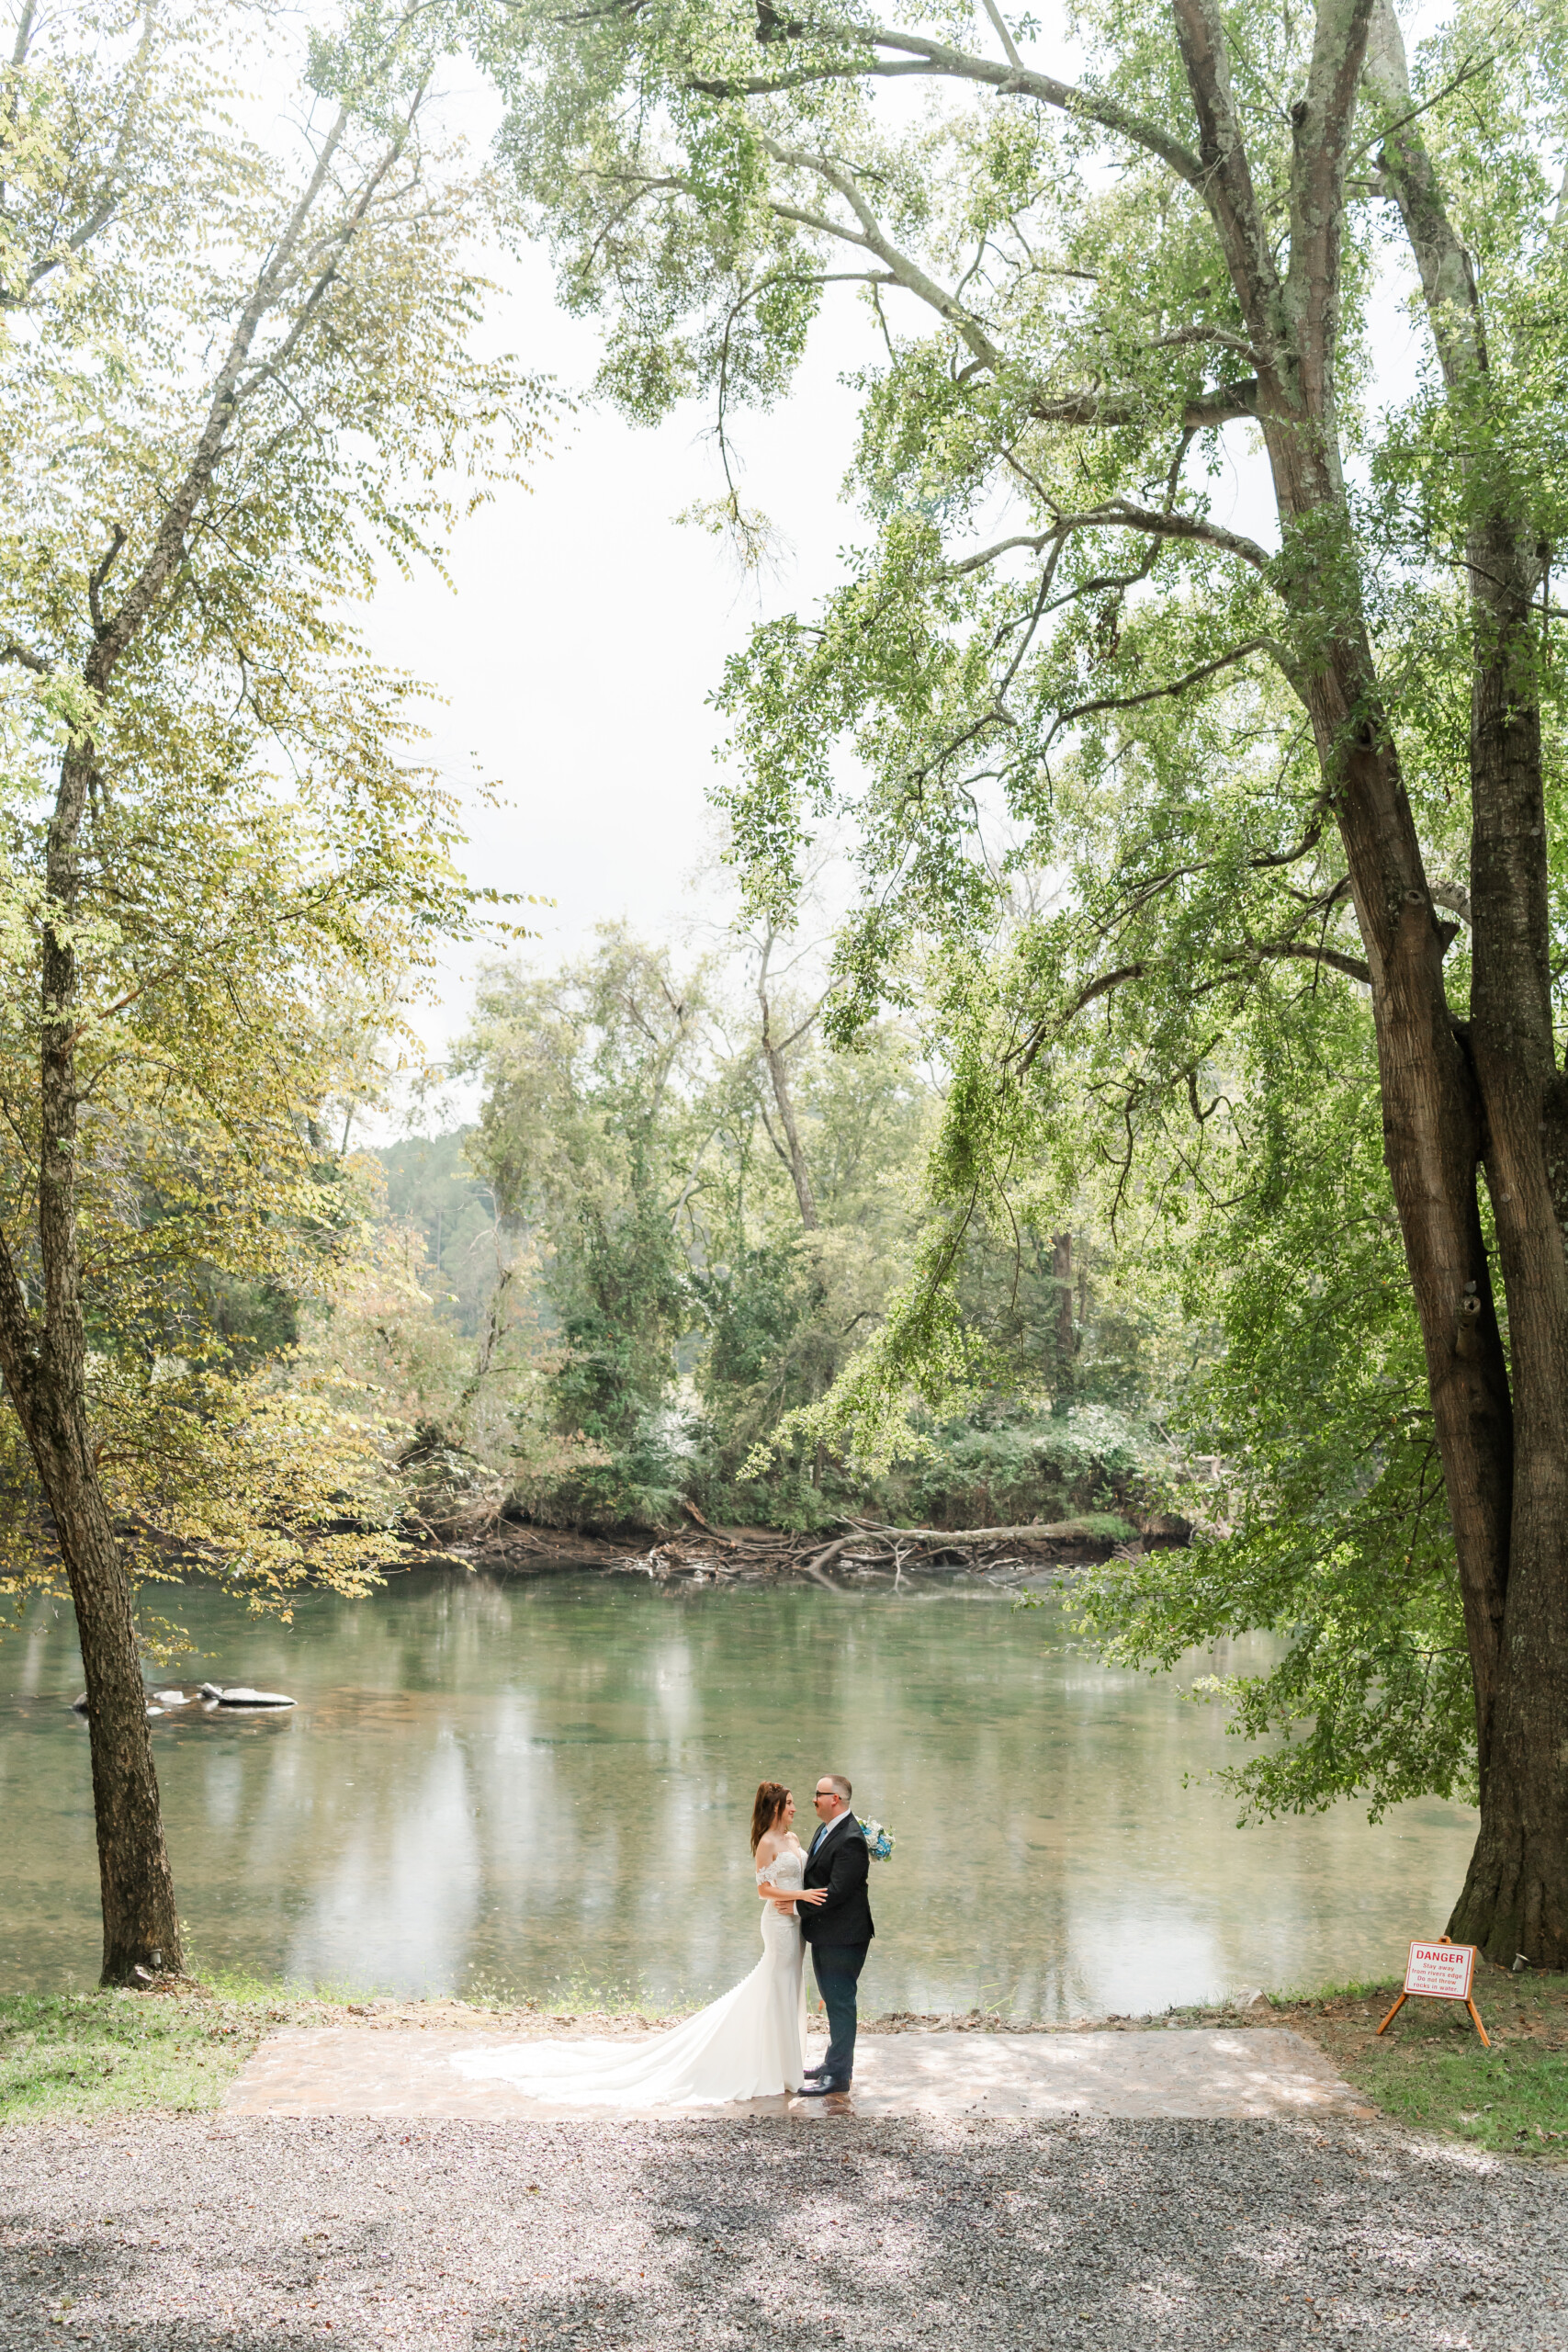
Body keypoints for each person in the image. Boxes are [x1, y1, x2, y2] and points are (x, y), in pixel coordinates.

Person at [448, 1781, 827, 2109]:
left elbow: (800, 1876)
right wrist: (798, 1897)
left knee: (789, 1988)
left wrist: (801, 1898)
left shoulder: (793, 1839)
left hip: (795, 1923)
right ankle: (774, 2068)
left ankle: (785, 2064)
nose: (795, 1809)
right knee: (774, 1986)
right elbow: (762, 1889)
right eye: (790, 1803)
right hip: (778, 1925)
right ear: (776, 1807)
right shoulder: (766, 1843)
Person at [793, 1772, 874, 2095]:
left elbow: (837, 1891)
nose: (813, 1799)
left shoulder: (851, 1838)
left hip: (845, 1936)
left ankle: (839, 2076)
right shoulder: (826, 1829)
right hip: (827, 1934)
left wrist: (797, 1908)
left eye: (818, 1794)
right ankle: (833, 2063)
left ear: (834, 1799)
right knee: (833, 1999)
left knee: (841, 2002)